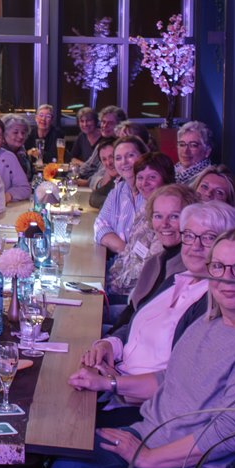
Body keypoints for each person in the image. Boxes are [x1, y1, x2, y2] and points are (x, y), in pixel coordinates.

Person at [29, 227, 235, 468]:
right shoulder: (208, 323)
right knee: (67, 467)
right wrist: (109, 384)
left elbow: (228, 432)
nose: (227, 278)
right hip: (145, 434)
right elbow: (171, 379)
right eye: (218, 266)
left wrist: (148, 457)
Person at [72, 200, 235, 427]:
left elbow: (180, 383)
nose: (195, 246)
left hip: (143, 411)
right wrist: (109, 345)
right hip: (112, 383)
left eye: (209, 238)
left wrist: (115, 382)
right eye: (189, 235)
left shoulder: (215, 303)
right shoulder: (176, 279)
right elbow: (134, 325)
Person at [114, 184, 197, 327]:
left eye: (174, 216)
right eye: (158, 216)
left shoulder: (189, 268)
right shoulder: (155, 261)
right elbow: (133, 309)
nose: (164, 224)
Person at [105, 152, 175, 300]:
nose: (144, 183)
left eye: (152, 177)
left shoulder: (167, 220)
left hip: (134, 298)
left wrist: (111, 287)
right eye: (140, 178)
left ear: (166, 179)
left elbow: (148, 271)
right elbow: (128, 252)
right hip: (118, 286)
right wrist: (109, 278)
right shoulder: (145, 208)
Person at [93, 135, 149, 255]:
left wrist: (127, 255)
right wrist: (125, 250)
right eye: (118, 158)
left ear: (144, 157)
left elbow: (147, 250)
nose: (124, 162)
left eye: (130, 155)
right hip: (120, 262)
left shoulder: (152, 193)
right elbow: (99, 225)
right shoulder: (118, 190)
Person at [87, 137, 119, 210]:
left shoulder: (130, 179)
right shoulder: (115, 180)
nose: (108, 163)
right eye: (104, 159)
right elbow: (94, 198)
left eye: (111, 157)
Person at [1, 113, 33, 180]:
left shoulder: (22, 152)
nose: (21, 136)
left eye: (23, 133)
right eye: (15, 132)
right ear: (4, 134)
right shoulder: (0, 154)